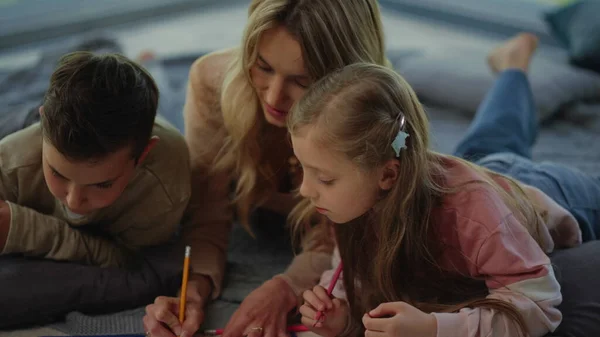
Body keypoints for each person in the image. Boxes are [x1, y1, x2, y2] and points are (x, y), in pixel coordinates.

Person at [291, 39, 600, 337]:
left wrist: (434, 328)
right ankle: (512, 65)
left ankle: (513, 67)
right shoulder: (356, 199)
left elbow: (540, 305)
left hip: (547, 196)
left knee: (502, 147)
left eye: (325, 178)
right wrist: (342, 318)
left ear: (387, 175)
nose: (305, 190)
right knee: (495, 134)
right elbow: (354, 277)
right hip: (469, 171)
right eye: (302, 168)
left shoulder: (475, 220)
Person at [142, 1, 391, 337]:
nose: (274, 97)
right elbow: (206, 211)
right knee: (160, 104)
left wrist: (286, 289)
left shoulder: (370, 119)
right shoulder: (213, 82)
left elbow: (338, 241)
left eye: (302, 81)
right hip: (226, 134)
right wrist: (194, 290)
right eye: (263, 66)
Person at [0, 51, 191, 268]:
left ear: (143, 155)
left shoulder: (164, 186)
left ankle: (145, 62)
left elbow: (135, 267)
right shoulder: (10, 161)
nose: (73, 200)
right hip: (24, 123)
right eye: (58, 173)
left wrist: (26, 230)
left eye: (102, 184)